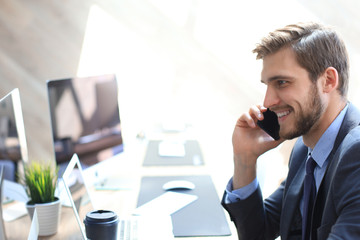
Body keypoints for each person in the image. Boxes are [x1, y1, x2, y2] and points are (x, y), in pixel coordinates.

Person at [221, 22, 360, 240]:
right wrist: (244, 158)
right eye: (267, 85)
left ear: (328, 81)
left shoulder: (356, 154)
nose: (267, 101)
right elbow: (258, 233)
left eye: (282, 82)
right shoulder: (305, 150)